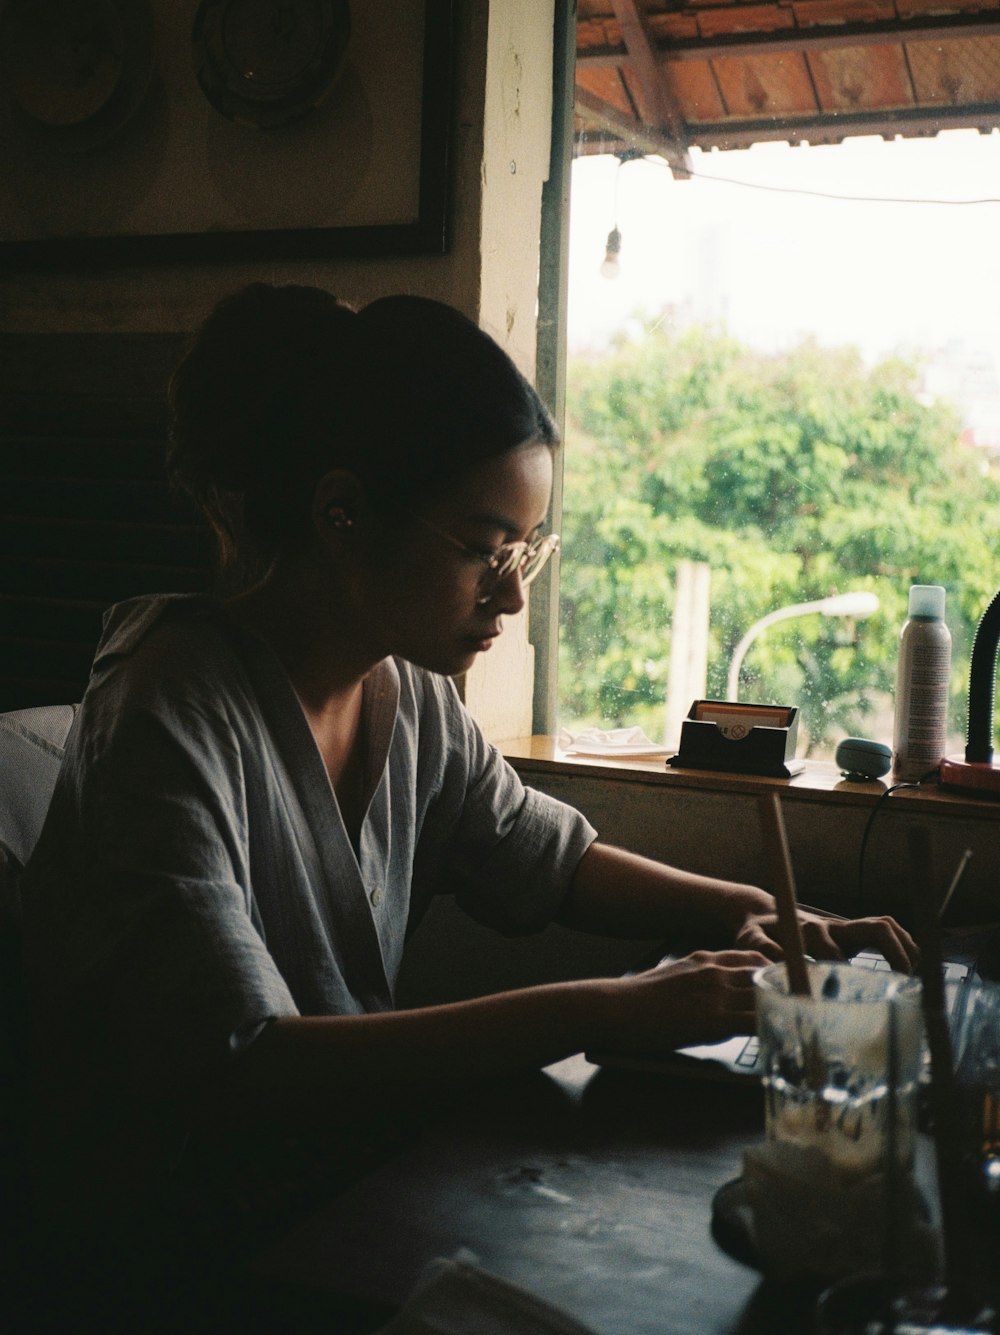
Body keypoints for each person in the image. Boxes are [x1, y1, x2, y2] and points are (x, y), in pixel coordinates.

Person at [20, 284, 916, 1321]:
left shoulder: (405, 695)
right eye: (486, 550)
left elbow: (543, 854)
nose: (512, 595)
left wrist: (749, 910)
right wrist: (612, 1007)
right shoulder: (170, 707)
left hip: (331, 1189)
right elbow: (245, 1061)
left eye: (526, 553)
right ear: (342, 512)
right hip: (174, 1256)